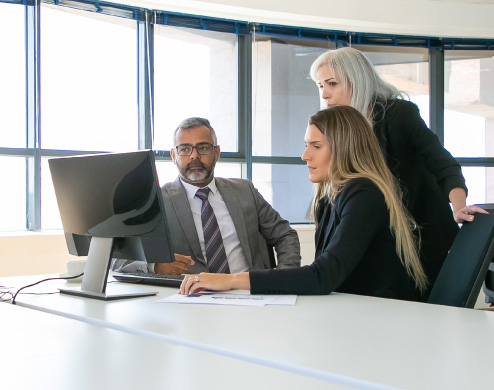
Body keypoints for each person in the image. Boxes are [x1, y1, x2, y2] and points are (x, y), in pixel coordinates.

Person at [180, 106, 428, 301]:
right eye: (306, 145)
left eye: (316, 146)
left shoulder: (364, 194)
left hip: (384, 321)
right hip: (353, 312)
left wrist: (230, 280)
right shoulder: (329, 199)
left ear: (344, 148)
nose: (305, 155)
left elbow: (323, 276)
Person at [308, 46, 487, 294]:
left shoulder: (399, 115)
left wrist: (458, 208)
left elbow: (444, 165)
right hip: (384, 241)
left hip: (422, 236)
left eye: (332, 84)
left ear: (356, 80)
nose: (325, 94)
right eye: (320, 86)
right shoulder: (342, 130)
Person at [113, 117, 301, 275]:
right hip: (190, 302)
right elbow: (117, 261)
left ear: (216, 152)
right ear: (173, 155)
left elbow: (285, 234)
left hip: (250, 294)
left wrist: (282, 278)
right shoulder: (156, 202)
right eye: (185, 149)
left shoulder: (245, 191)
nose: (194, 156)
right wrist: (154, 266)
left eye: (203, 147)